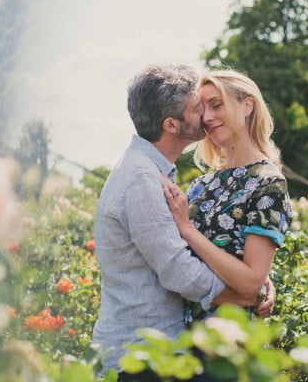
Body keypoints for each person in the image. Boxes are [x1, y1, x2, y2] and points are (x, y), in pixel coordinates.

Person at [92, 65, 273, 381]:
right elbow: (179, 269)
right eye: (196, 108)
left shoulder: (154, 171)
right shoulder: (141, 179)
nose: (205, 114)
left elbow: (200, 247)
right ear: (172, 125)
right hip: (141, 359)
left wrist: (253, 276)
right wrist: (245, 293)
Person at [162, 69, 292, 322]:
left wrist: (187, 229)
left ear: (247, 106)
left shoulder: (268, 182)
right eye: (202, 110)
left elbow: (250, 283)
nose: (207, 118)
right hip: (182, 337)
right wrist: (261, 278)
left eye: (216, 105)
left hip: (230, 342)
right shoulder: (202, 184)